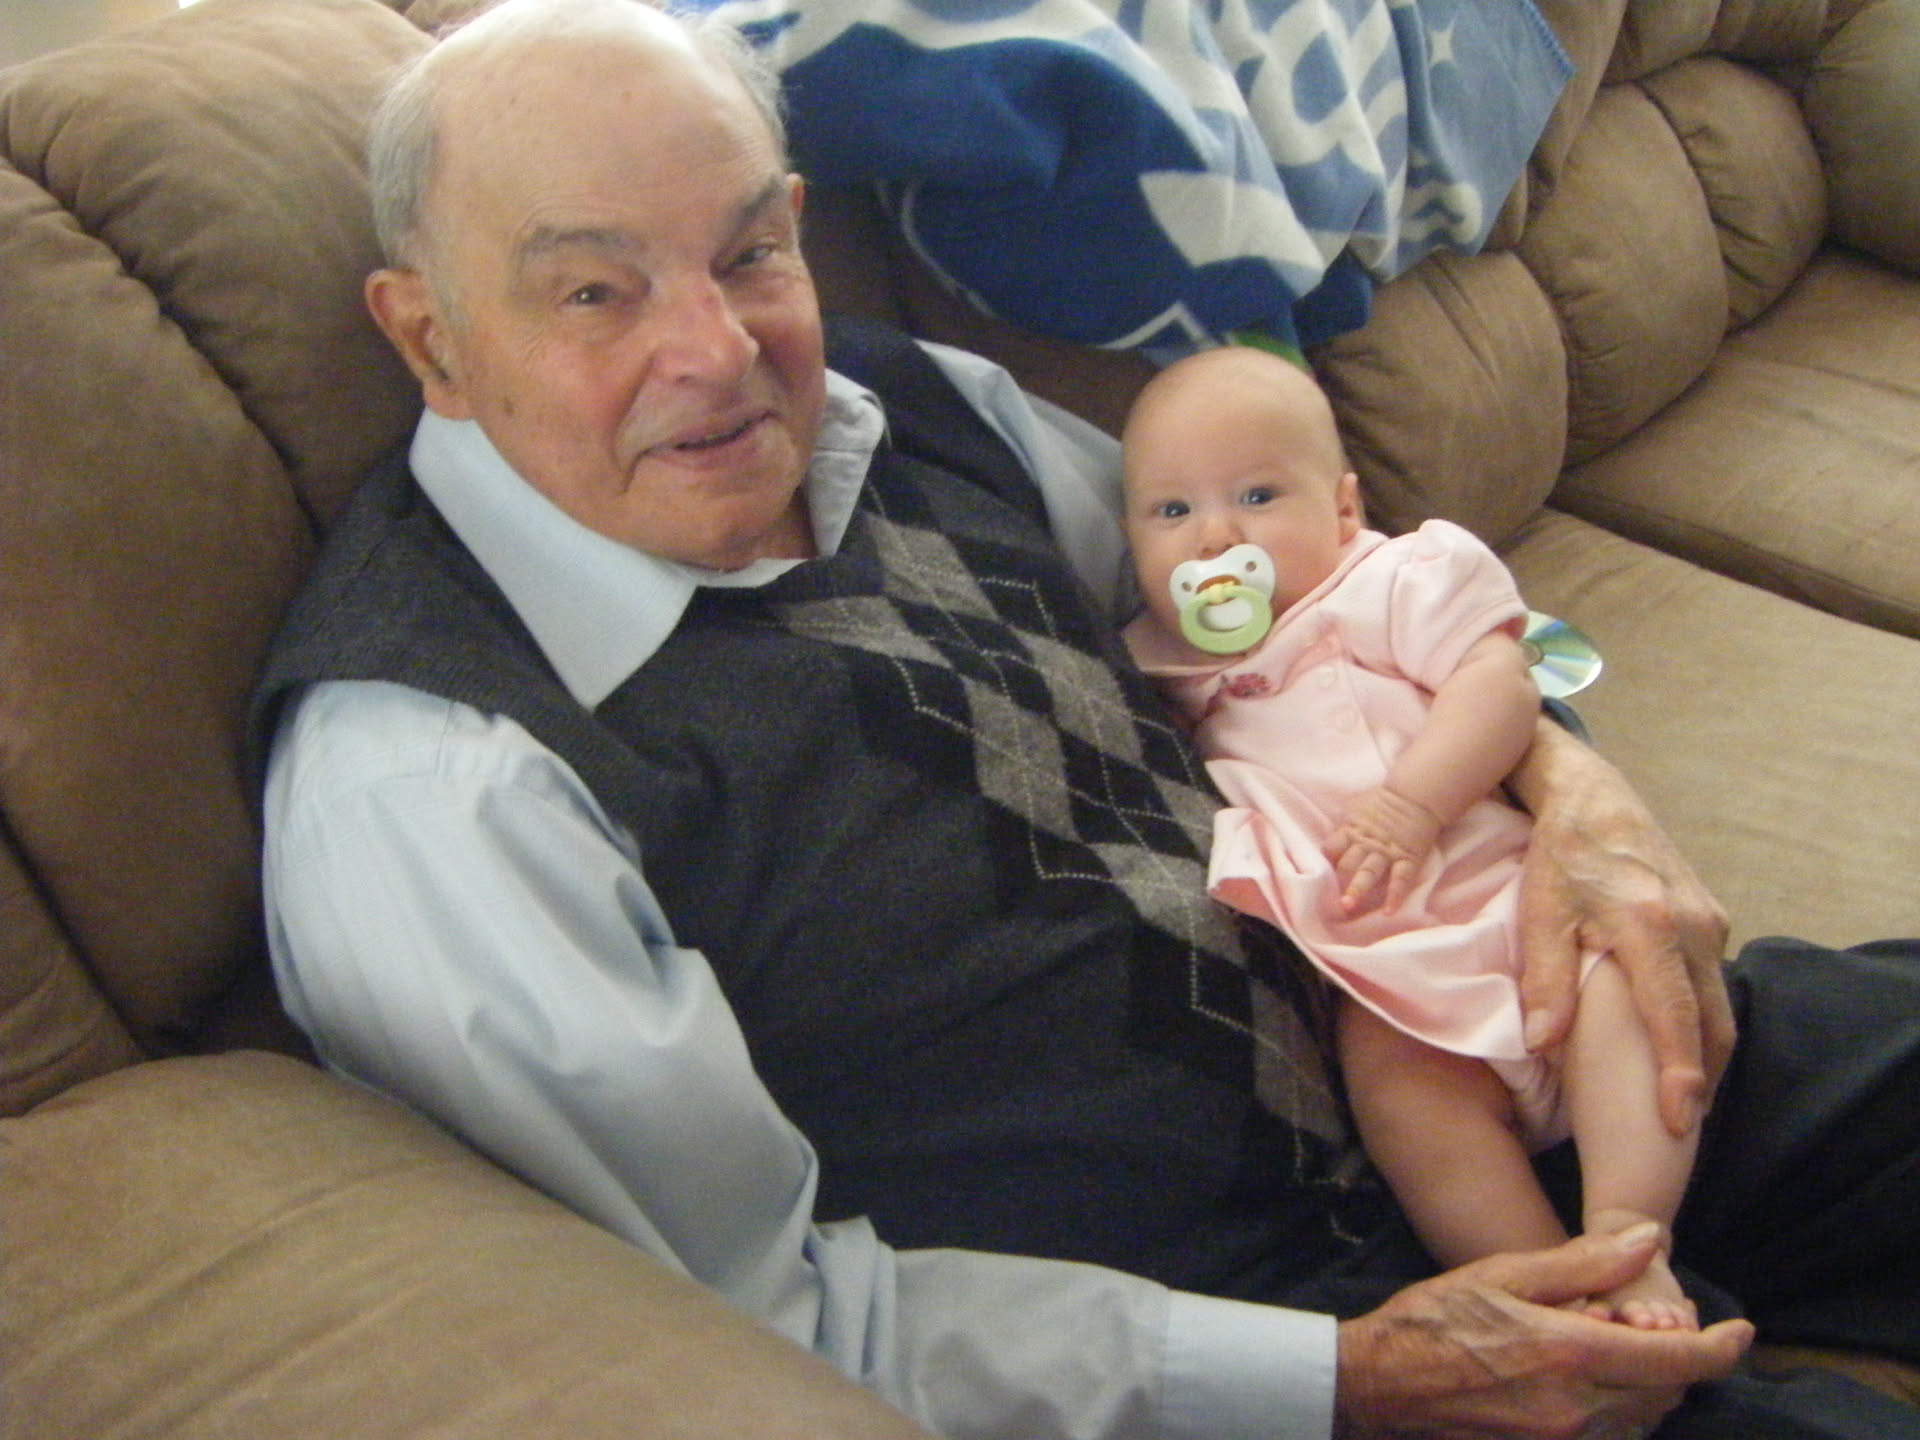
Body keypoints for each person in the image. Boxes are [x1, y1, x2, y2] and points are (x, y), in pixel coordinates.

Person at [252, 1, 1920, 1437]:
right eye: (594, 295)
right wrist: (1353, 1379)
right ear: (430, 339)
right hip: (1278, 1327)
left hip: (1476, 1010)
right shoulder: (437, 784)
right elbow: (765, 1318)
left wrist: (1572, 789)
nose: (718, 352)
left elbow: (1303, 608)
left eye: (749, 251)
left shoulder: (911, 403)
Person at [1120, 345, 1698, 1331]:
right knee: (1401, 1102)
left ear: (1344, 509)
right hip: (1383, 965)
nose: (1215, 536)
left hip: (1517, 899)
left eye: (1257, 496)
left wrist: (1412, 805)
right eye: (1172, 511)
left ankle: (1628, 1236)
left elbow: (1499, 682)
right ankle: (1550, 1288)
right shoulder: (1157, 667)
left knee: (1624, 998)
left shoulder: (1386, 581)